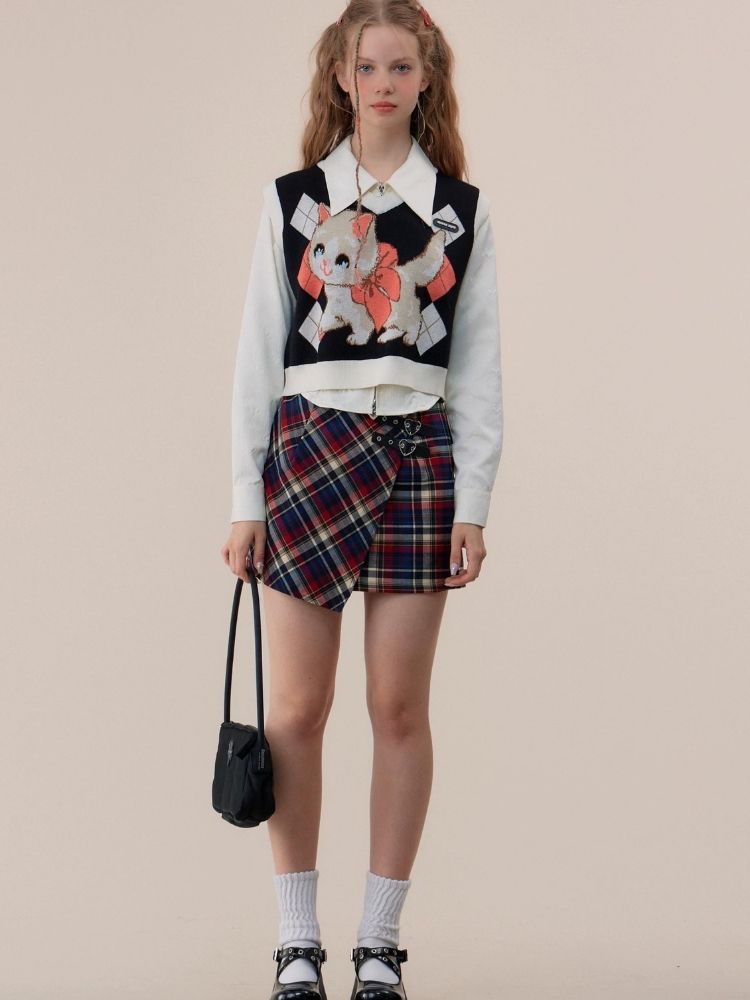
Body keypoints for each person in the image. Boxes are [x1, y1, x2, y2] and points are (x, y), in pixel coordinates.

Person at [220, 2, 503, 997]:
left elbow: (478, 365)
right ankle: (297, 942)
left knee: (398, 708)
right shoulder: (295, 201)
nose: (384, 83)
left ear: (426, 79)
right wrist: (244, 497)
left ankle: (380, 945)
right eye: (368, 66)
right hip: (309, 451)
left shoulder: (457, 211)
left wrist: (474, 502)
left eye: (402, 67)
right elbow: (258, 351)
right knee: (298, 709)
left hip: (421, 456)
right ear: (341, 76)